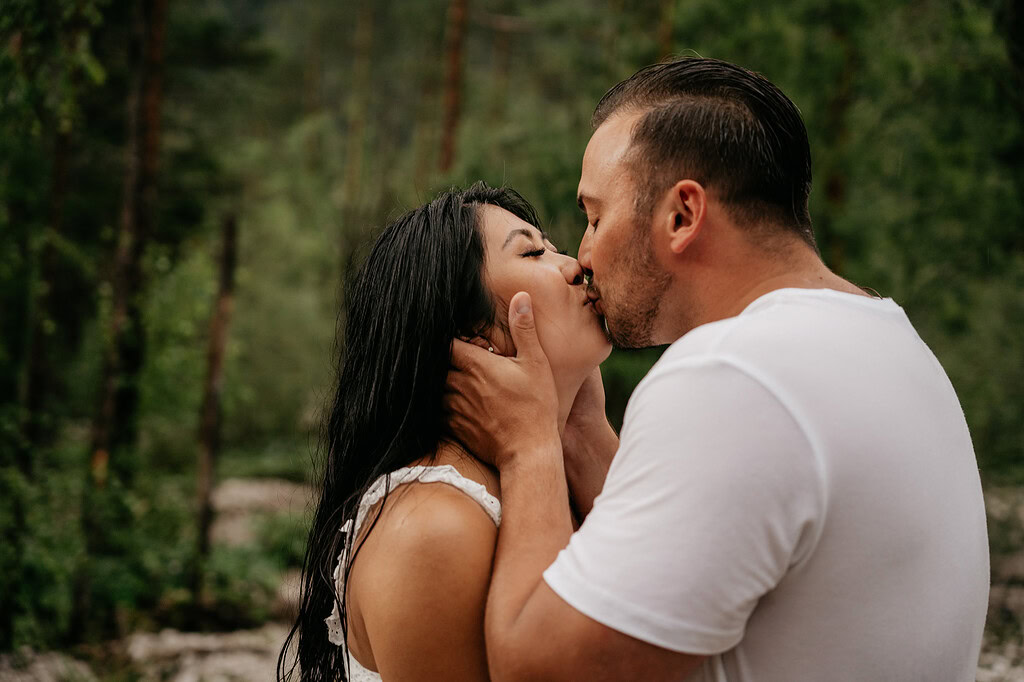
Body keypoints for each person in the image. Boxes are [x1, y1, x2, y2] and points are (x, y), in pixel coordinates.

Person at [446, 57, 990, 681]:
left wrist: (528, 447)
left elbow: (538, 670)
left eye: (595, 216)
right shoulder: (888, 339)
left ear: (681, 215)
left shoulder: (731, 376)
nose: (585, 253)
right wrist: (583, 434)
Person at [277, 183, 611, 681]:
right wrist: (535, 449)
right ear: (473, 335)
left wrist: (581, 432)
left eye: (554, 247)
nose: (574, 265)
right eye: (533, 251)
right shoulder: (434, 526)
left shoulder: (551, 479)